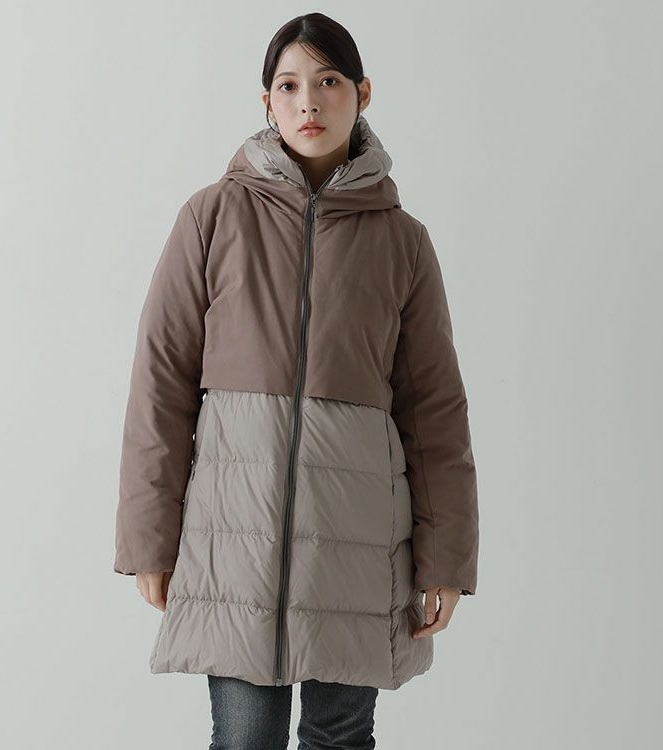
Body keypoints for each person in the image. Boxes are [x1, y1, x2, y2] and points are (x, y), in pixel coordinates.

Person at [113, 12, 479, 750]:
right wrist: (149, 538)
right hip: (233, 547)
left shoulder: (403, 242)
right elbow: (161, 382)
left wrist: (446, 558)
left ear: (362, 93)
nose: (308, 101)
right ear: (267, 103)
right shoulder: (212, 217)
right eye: (288, 85)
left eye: (328, 81)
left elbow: (434, 410)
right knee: (244, 739)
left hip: (357, 546)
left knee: (339, 738)